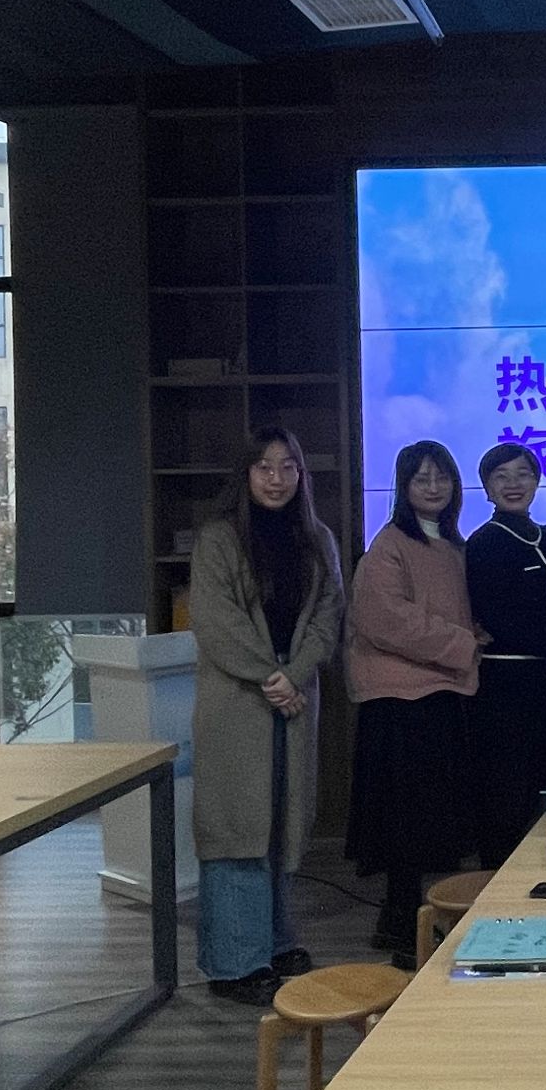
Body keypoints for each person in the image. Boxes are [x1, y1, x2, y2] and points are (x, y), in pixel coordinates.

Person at [188, 427, 344, 1006]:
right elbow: (215, 621)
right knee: (237, 827)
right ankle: (234, 963)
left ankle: (275, 942)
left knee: (282, 822)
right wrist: (272, 678)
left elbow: (329, 614)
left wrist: (294, 673)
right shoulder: (218, 538)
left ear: (302, 475)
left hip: (292, 695)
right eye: (264, 467)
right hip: (239, 700)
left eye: (288, 467)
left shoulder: (318, 539)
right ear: (246, 474)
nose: (276, 479)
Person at [344, 440, 480, 964]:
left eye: (442, 477)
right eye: (421, 478)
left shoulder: (453, 543)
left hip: (439, 693)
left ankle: (414, 922)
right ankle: (403, 926)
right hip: (399, 702)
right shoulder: (389, 545)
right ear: (403, 487)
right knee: (404, 822)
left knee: (430, 818)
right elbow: (385, 620)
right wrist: (463, 644)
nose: (433, 487)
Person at [465, 443, 546, 863]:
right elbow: (496, 615)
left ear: (537, 480)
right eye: (501, 476)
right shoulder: (485, 542)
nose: (514, 484)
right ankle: (497, 879)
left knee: (541, 786)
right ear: (486, 487)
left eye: (523, 474)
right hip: (504, 684)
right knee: (504, 791)